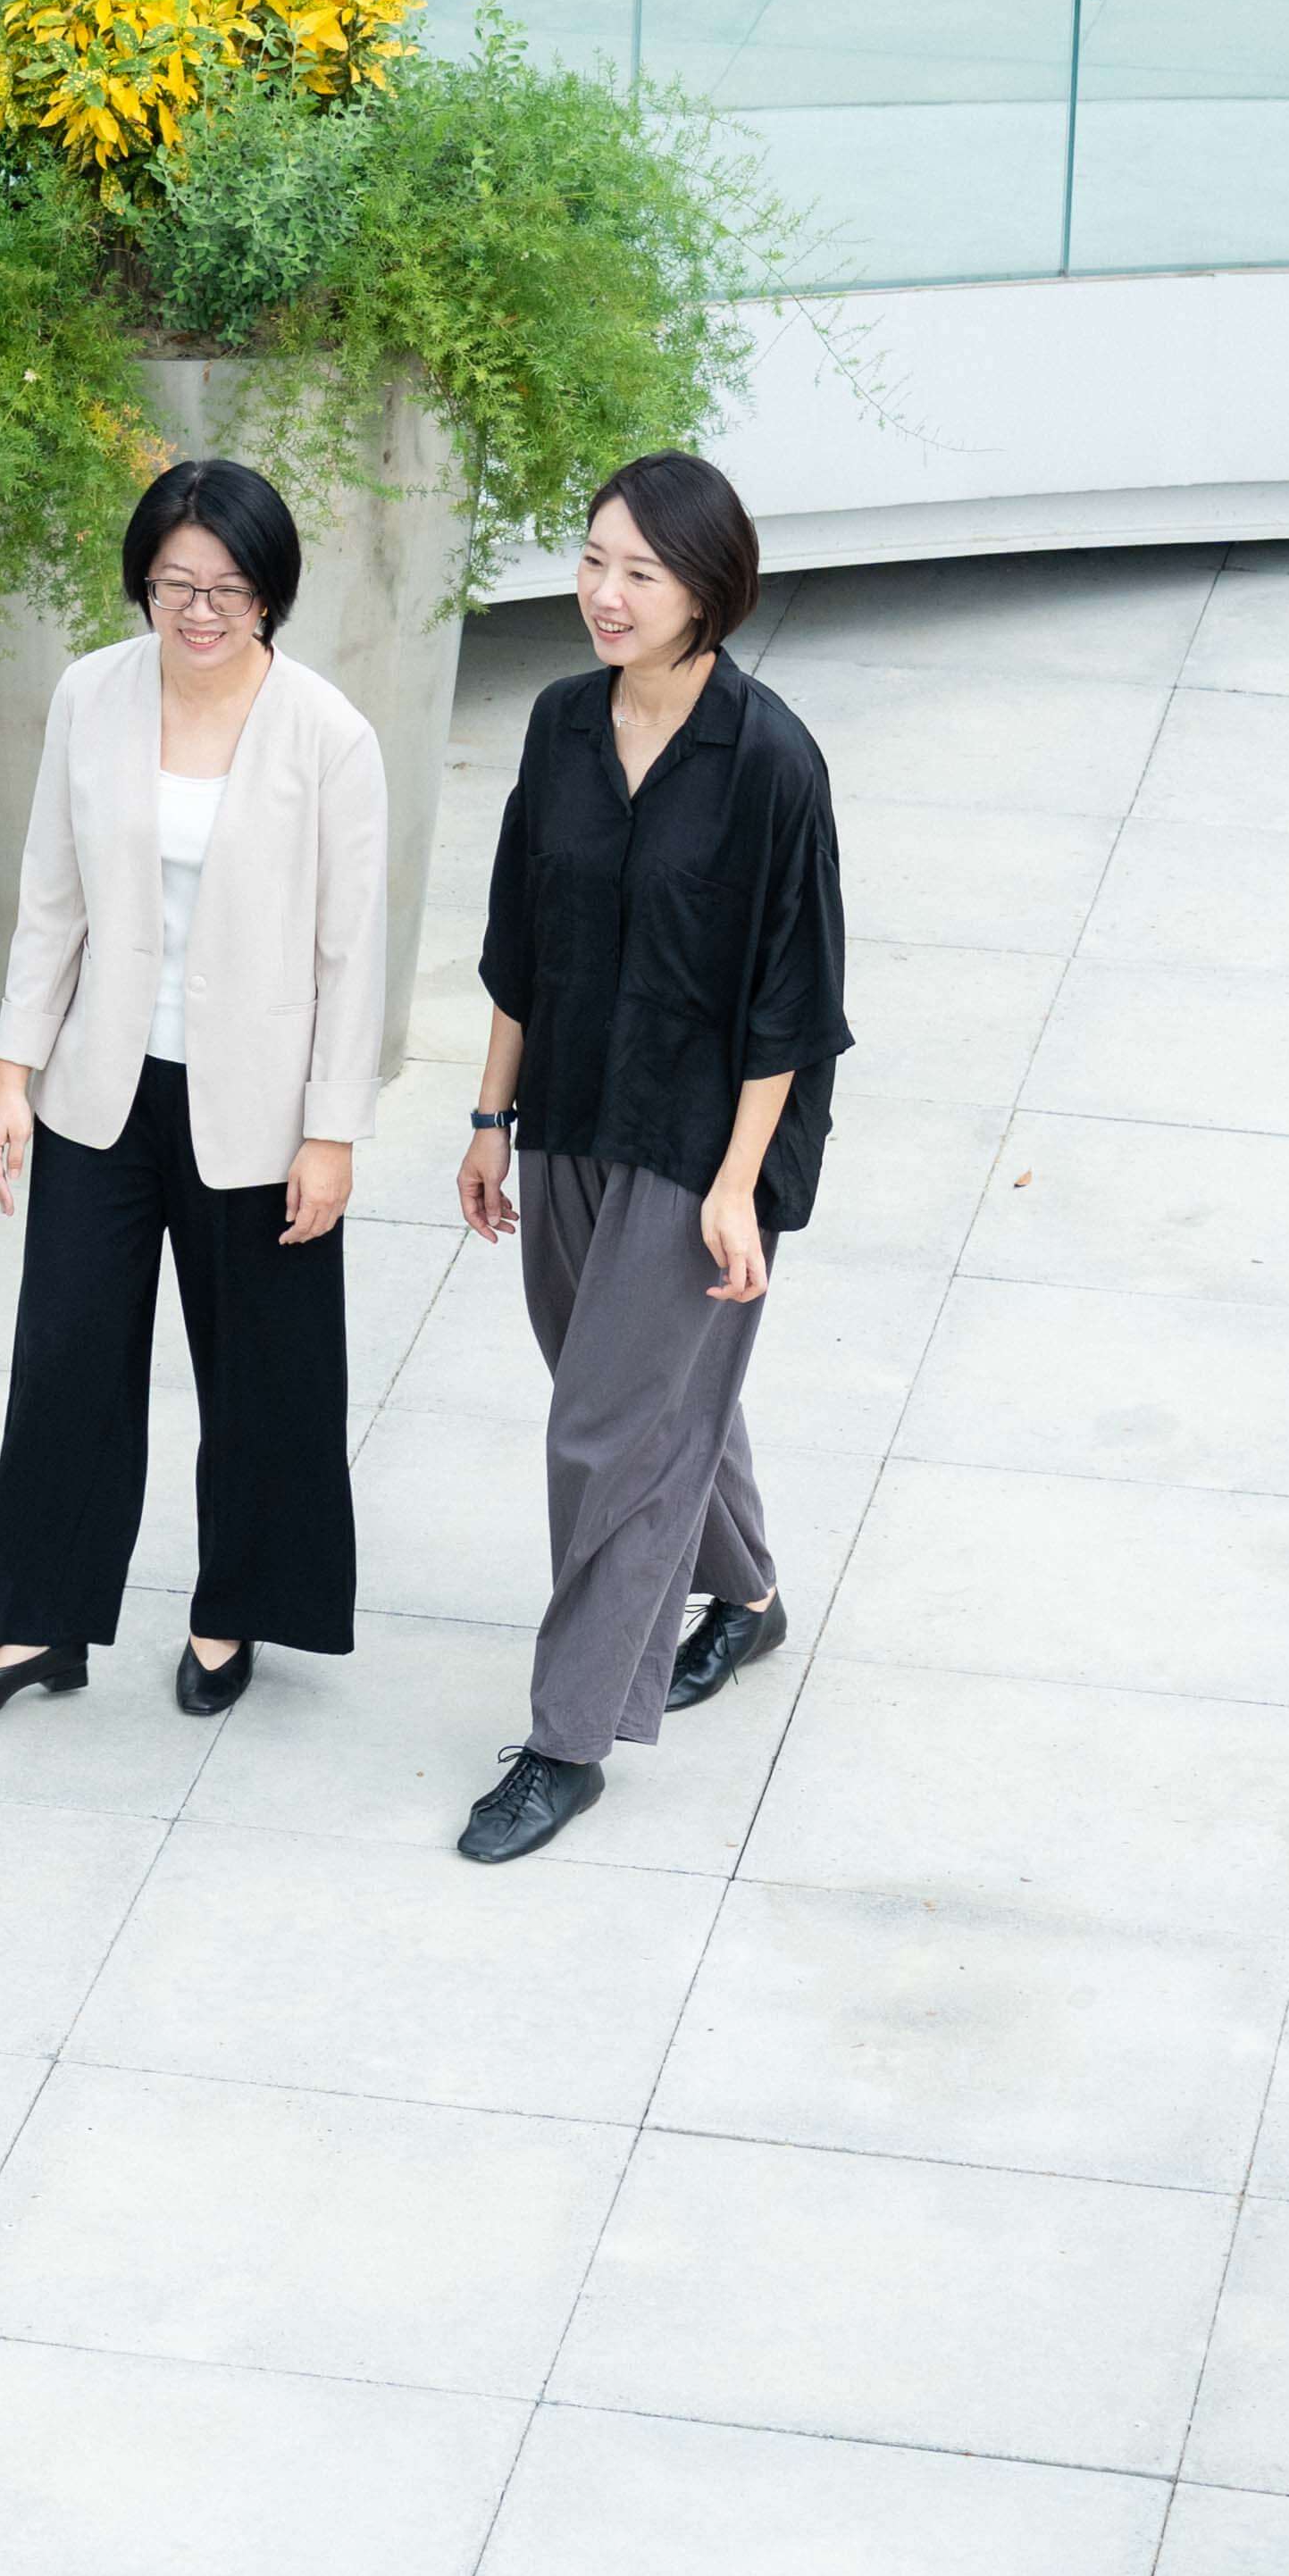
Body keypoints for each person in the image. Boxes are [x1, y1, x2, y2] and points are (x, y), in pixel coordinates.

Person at [0, 460, 392, 1725]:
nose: (199, 611)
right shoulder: (92, 695)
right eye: (176, 585)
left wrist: (333, 1133)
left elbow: (352, 955)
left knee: (264, 1377)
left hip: (261, 1107)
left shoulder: (330, 735)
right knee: (65, 1357)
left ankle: (234, 1611)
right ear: (142, 583)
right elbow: (50, 896)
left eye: (228, 589)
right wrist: (11, 1077)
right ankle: (33, 1627)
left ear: (270, 595)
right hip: (101, 1091)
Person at [445, 450, 849, 1865]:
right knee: (642, 1393)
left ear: (708, 591)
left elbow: (794, 1002)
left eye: (642, 573)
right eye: (594, 560)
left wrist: (737, 1186)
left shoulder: (772, 760)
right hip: (567, 1111)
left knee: (604, 1431)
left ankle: (567, 1742)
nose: (605, 595)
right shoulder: (562, 723)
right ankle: (747, 1597)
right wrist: (489, 1121)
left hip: (700, 1143)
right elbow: (520, 941)